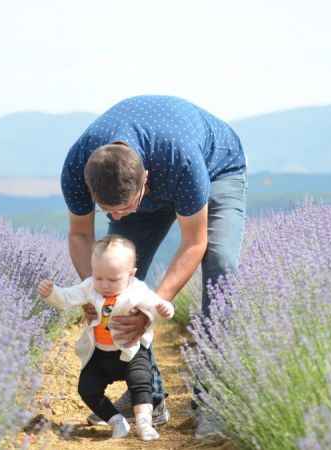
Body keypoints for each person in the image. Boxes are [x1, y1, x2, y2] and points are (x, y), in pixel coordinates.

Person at [60, 95, 247, 437]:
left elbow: (194, 243)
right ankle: (147, 394)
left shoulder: (183, 162)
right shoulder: (77, 166)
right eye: (108, 211)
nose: (117, 218)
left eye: (125, 208)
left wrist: (150, 308)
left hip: (217, 168)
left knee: (221, 266)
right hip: (156, 173)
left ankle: (215, 401)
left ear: (146, 179)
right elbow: (79, 234)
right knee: (116, 278)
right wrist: (95, 290)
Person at [36, 235, 175, 441]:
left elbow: (156, 304)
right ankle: (116, 420)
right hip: (100, 352)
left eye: (113, 279)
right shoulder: (90, 286)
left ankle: (144, 422)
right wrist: (52, 293)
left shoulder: (137, 289)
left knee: (141, 382)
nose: (104, 284)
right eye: (99, 277)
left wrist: (166, 308)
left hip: (131, 349)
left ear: (131, 274)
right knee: (87, 388)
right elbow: (67, 298)